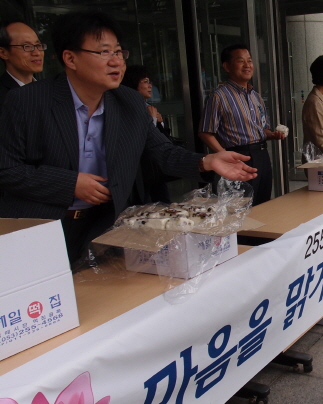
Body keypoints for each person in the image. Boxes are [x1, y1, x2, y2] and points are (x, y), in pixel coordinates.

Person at [0, 11, 257, 264]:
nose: (116, 61)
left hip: (101, 226)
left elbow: (163, 153)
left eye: (119, 52)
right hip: (39, 229)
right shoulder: (27, 100)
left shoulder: (128, 102)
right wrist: (70, 184)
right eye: (104, 52)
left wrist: (207, 161)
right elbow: (6, 169)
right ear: (70, 58)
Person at [198, 44, 284, 206]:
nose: (247, 65)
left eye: (249, 61)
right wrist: (223, 154)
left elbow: (262, 128)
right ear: (227, 66)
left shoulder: (256, 96)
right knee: (241, 207)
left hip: (262, 155)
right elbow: (205, 132)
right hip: (237, 156)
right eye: (241, 61)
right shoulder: (219, 97)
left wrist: (272, 134)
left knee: (263, 204)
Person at [122, 64, 173, 203]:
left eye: (149, 82)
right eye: (145, 82)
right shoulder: (128, 108)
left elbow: (163, 138)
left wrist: (159, 122)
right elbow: (140, 138)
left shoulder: (148, 106)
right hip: (141, 169)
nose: (150, 85)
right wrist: (153, 120)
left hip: (155, 167)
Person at [0, 21, 45, 110]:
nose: (37, 52)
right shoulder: (4, 97)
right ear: (3, 53)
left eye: (38, 45)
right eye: (27, 46)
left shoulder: (49, 91)